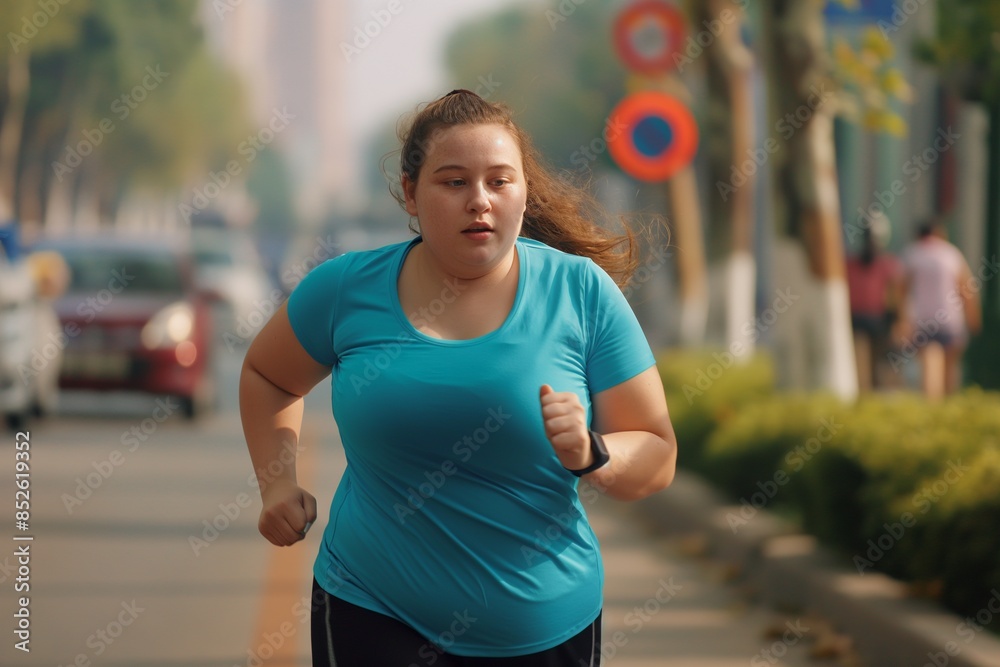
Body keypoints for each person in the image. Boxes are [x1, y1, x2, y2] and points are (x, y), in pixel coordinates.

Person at [239, 89, 677, 666]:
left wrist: (593, 453)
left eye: (500, 181)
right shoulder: (346, 289)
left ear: (523, 191)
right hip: (372, 609)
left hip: (544, 626)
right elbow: (268, 374)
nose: (480, 201)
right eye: (453, 182)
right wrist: (276, 481)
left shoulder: (581, 291)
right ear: (410, 193)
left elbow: (656, 452)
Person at [895, 220, 981, 400]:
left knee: (929, 364)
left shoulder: (912, 253)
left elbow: (901, 291)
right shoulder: (951, 253)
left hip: (923, 320)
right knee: (950, 368)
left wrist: (902, 320)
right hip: (951, 319)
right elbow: (966, 289)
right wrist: (973, 317)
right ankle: (949, 406)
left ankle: (932, 406)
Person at [845, 216, 902, 392]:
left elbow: (895, 297)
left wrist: (897, 323)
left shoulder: (888, 265)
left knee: (881, 372)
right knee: (860, 370)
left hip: (880, 323)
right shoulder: (850, 265)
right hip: (857, 322)